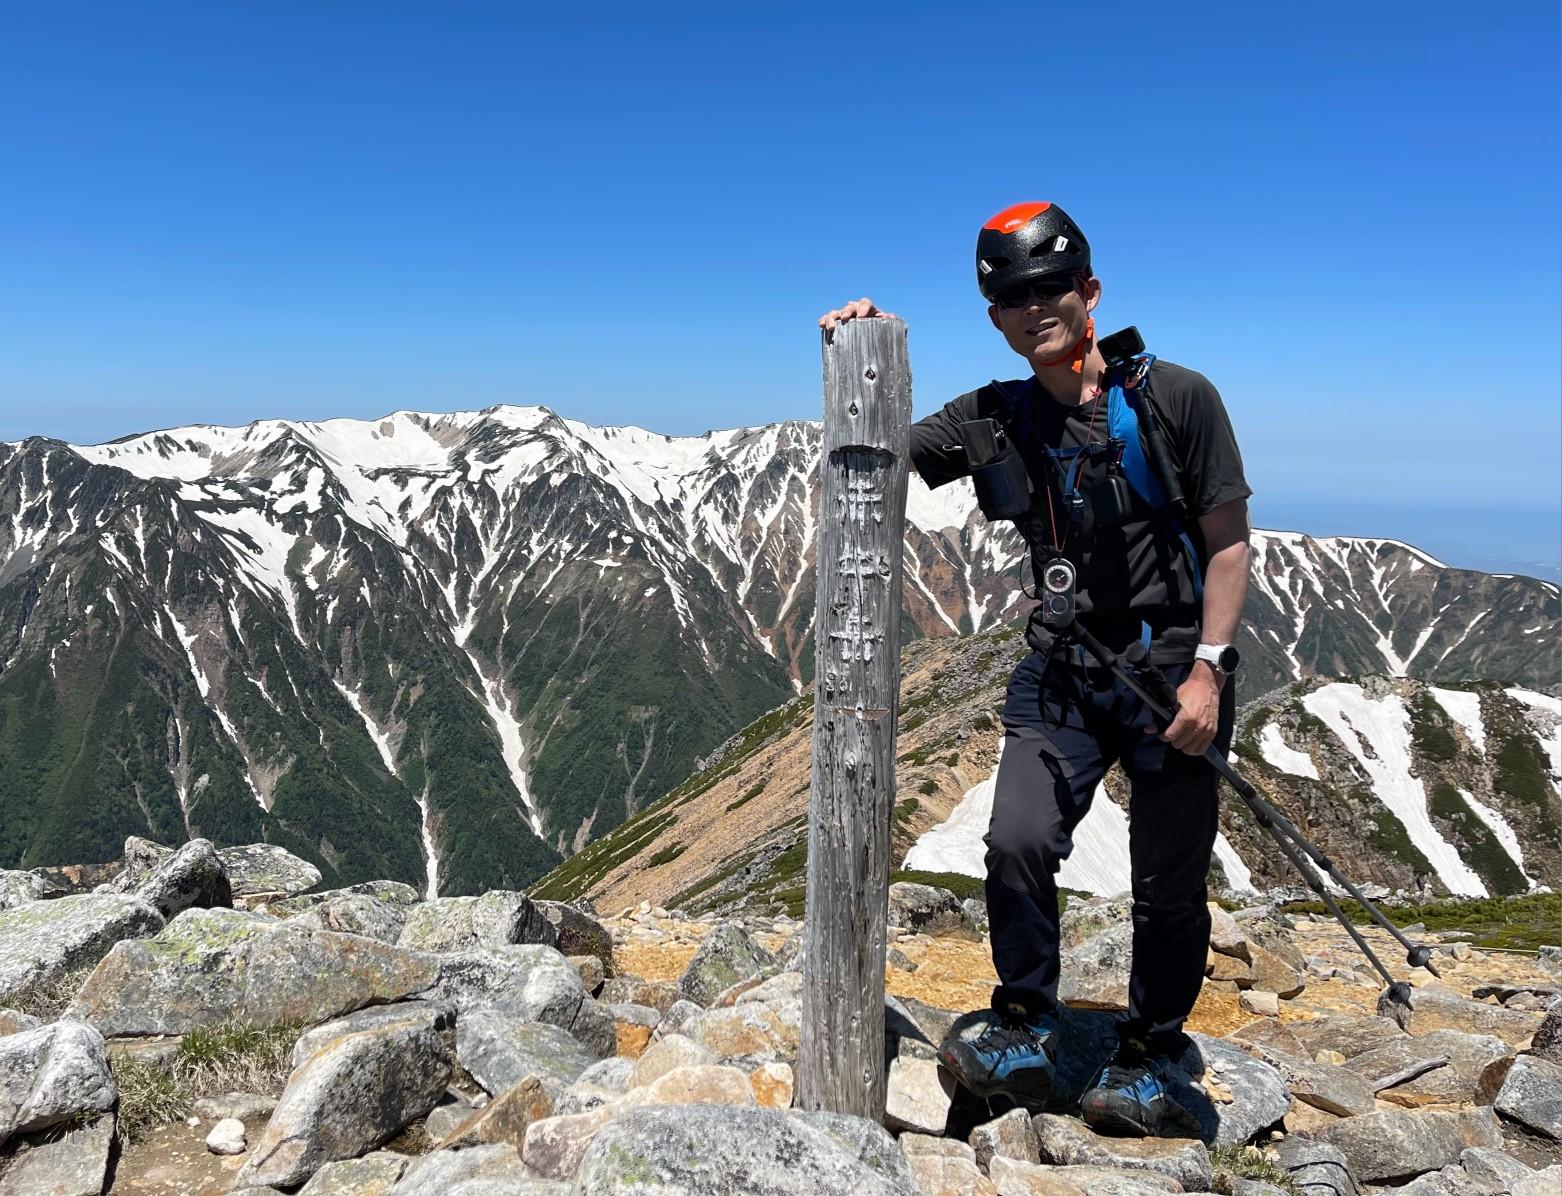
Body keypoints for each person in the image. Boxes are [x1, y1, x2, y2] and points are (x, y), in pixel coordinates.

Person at [819, 201, 1252, 1136]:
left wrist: (1209, 673)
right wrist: (858, 346)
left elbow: (1228, 545)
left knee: (1166, 882)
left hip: (1173, 672)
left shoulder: (1177, 400)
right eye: (1012, 295)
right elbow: (876, 444)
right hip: (1063, 670)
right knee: (1017, 837)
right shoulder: (996, 416)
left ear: (1088, 293)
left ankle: (1154, 1050)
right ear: (995, 316)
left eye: (1051, 287)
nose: (1034, 306)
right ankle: (1027, 1012)